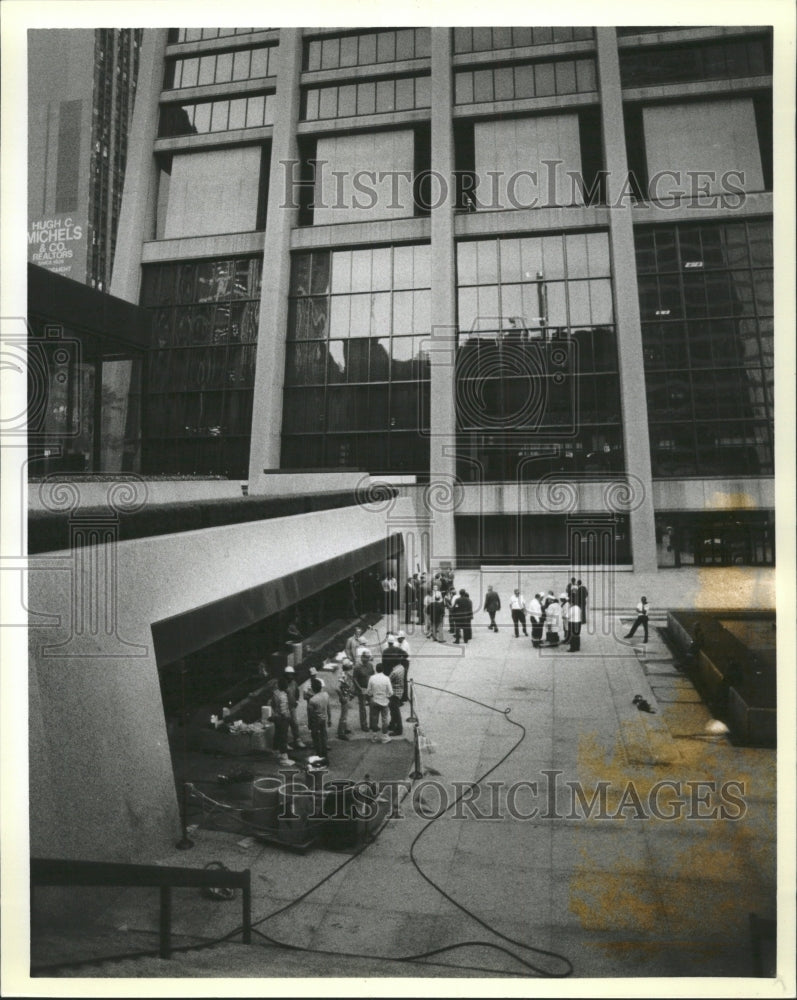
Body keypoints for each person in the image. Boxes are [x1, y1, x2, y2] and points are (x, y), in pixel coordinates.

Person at [270, 676, 295, 767]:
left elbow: (271, 704)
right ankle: (284, 758)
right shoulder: (283, 696)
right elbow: (284, 710)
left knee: (277, 734)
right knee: (283, 737)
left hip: (276, 716)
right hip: (283, 718)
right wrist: (288, 717)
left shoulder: (275, 693)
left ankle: (275, 751)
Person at [366, 662, 393, 743]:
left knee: (374, 718)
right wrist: (387, 696)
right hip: (384, 701)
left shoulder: (372, 678)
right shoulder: (386, 678)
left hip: (374, 700)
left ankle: (374, 737)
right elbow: (390, 692)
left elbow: (368, 691)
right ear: (383, 670)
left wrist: (372, 695)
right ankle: (384, 737)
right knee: (385, 719)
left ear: (376, 669)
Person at [307, 677, 331, 760]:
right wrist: (330, 719)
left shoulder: (312, 700)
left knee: (316, 739)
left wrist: (310, 724)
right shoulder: (326, 695)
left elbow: (310, 714)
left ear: (313, 689)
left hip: (316, 721)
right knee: (323, 738)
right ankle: (324, 755)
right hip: (323, 719)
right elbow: (328, 708)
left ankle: (319, 755)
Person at [283, 666, 307, 750]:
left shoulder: (294, 683)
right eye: (288, 675)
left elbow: (297, 692)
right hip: (284, 708)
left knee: (295, 724)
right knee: (285, 726)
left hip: (292, 707)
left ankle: (297, 740)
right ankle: (284, 743)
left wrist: (296, 701)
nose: (290, 676)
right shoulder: (282, 683)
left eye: (291, 675)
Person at [352, 648, 375, 732]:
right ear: (362, 657)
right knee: (363, 708)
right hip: (361, 689)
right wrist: (360, 688)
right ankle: (364, 725)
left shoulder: (370, 665)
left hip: (369, 689)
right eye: (365, 657)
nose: (367, 659)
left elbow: (373, 675)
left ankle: (373, 724)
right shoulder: (357, 667)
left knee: (373, 706)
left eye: (368, 657)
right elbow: (354, 678)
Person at [336, 659, 354, 740]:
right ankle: (341, 733)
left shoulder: (346, 674)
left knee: (345, 714)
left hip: (346, 695)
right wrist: (342, 697)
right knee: (343, 715)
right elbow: (337, 688)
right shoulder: (343, 675)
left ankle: (344, 728)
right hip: (344, 696)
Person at [388, 659, 405, 736]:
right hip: (400, 691)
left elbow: (388, 681)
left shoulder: (394, 672)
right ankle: (392, 725)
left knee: (395, 711)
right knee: (393, 710)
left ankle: (399, 729)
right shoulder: (401, 667)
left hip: (394, 693)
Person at [396, 631, 411, 702]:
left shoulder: (405, 645)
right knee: (402, 678)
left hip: (405, 662)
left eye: (399, 638)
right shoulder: (401, 643)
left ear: (402, 638)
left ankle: (404, 696)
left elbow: (403, 655)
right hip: (403, 661)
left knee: (404, 678)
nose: (397, 640)